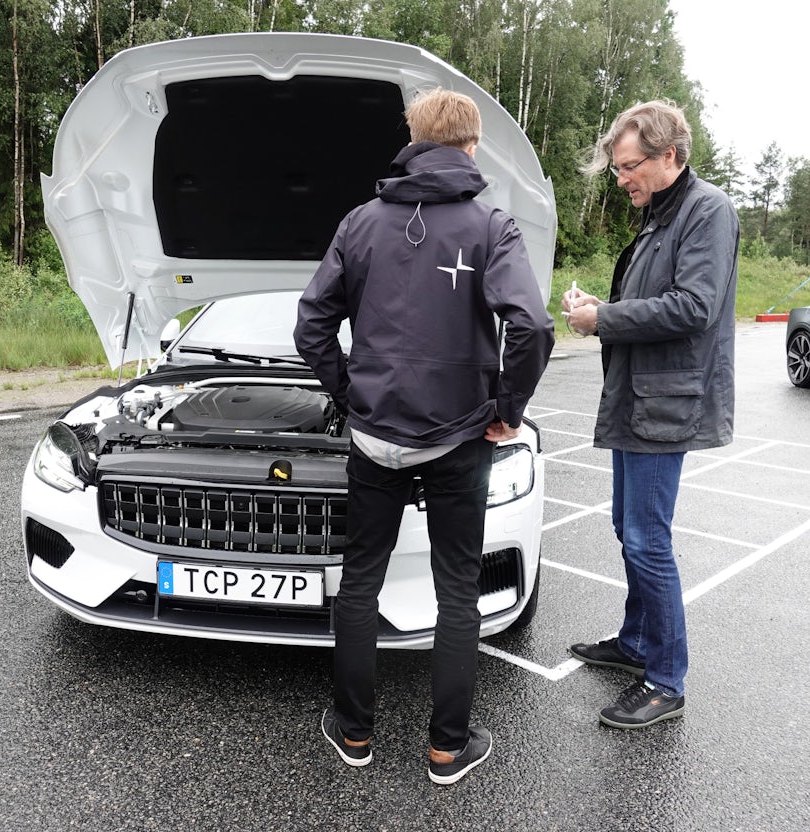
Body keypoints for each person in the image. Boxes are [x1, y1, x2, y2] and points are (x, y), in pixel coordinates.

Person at [294, 87, 555, 784]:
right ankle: (447, 747)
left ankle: (353, 735)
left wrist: (348, 394)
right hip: (460, 437)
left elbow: (310, 324)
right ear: (472, 145)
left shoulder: (359, 223)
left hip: (375, 437)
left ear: (411, 139)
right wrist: (508, 407)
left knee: (360, 584)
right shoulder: (491, 226)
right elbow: (531, 325)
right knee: (457, 592)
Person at [562, 99, 739, 729]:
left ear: (670, 155)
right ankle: (636, 644)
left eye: (630, 167)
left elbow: (693, 306)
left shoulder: (707, 211)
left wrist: (604, 318)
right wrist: (598, 305)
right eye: (616, 170)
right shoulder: (661, 213)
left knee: (647, 539)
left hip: (667, 403)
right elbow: (650, 298)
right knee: (627, 526)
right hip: (640, 397)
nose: (622, 180)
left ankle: (665, 680)